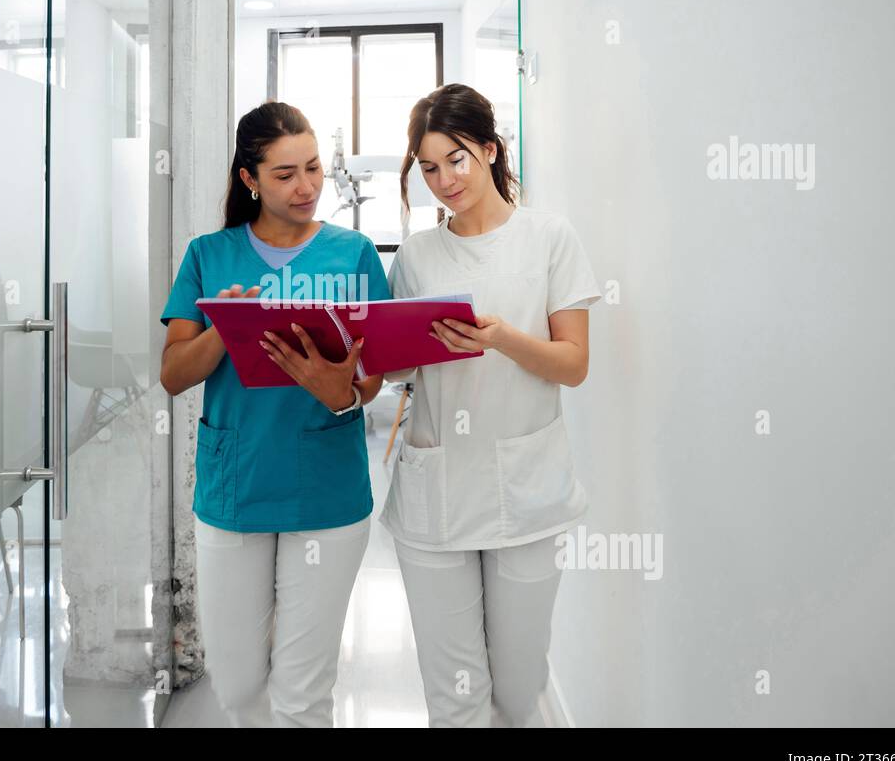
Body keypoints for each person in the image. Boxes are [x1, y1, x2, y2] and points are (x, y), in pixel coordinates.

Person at [159, 101, 390, 726]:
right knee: (236, 686)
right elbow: (174, 374)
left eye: (313, 168)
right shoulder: (210, 254)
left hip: (328, 490)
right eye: (285, 174)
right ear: (249, 179)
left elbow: (375, 376)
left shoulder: (355, 254)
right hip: (237, 486)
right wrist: (225, 329)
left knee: (304, 692)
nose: (307, 187)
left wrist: (343, 387)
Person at [382, 83, 602, 727]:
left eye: (456, 159)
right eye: (427, 167)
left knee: (518, 685)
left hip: (527, 494)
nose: (444, 179)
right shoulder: (418, 255)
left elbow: (575, 364)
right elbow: (398, 370)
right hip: (436, 495)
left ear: (488, 149)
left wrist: (501, 336)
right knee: (453, 694)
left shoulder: (550, 238)